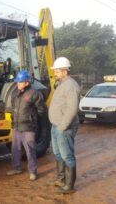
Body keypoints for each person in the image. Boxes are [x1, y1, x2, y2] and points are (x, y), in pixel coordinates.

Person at [6, 70, 46, 181]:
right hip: (16, 127)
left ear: (27, 82)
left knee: (30, 150)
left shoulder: (34, 93)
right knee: (15, 149)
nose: (17, 84)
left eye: (20, 82)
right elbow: (14, 108)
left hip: (28, 127)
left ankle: (33, 172)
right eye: (17, 81)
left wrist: (33, 119)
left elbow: (41, 110)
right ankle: (16, 168)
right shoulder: (15, 93)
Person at [48, 57, 80, 194]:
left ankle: (69, 185)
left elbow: (72, 109)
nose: (55, 73)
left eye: (57, 70)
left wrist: (62, 126)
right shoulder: (61, 83)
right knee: (58, 153)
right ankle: (61, 179)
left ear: (65, 71)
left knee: (67, 155)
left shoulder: (71, 86)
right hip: (55, 125)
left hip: (63, 127)